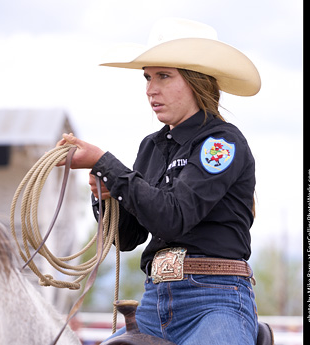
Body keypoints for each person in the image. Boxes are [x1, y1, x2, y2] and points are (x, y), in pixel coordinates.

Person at [57, 18, 261, 345]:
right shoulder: (151, 147)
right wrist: (105, 196)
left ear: (196, 82)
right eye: (148, 77)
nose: (151, 89)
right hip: (155, 302)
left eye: (164, 76)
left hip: (214, 300)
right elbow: (127, 237)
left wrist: (105, 164)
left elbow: (174, 217)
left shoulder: (221, 143)